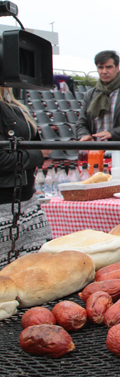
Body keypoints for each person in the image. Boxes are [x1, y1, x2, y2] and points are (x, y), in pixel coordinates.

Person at [0, 88, 52, 267]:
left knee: (38, 269)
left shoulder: (15, 106)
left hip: (27, 200)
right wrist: (38, 154)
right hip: (5, 206)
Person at [76, 50, 120, 142]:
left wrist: (112, 133)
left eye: (108, 67)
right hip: (96, 151)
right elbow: (81, 122)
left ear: (117, 68)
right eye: (100, 67)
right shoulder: (90, 94)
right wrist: (84, 135)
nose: (104, 71)